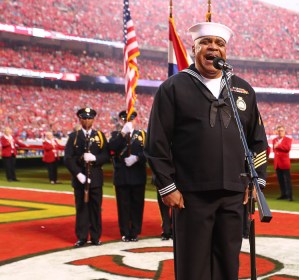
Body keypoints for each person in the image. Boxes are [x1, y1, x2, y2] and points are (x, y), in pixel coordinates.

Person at [145, 21, 268, 279]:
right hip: (190, 195)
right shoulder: (173, 87)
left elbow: (257, 142)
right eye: (206, 43)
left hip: (234, 195)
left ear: (226, 51)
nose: (213, 47)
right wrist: (167, 186)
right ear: (194, 48)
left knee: (227, 266)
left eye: (220, 43)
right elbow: (156, 142)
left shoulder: (243, 89)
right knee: (193, 267)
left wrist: (254, 182)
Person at [64, 107, 109, 247]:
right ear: (80, 119)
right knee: (82, 208)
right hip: (80, 180)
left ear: (94, 120)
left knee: (96, 208)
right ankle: (82, 237)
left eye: (90, 118)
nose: (87, 120)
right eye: (84, 118)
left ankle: (95, 237)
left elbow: (106, 155)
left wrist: (95, 158)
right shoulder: (74, 136)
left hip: (95, 179)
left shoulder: (100, 136)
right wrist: (78, 174)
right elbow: (68, 158)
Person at [108, 111, 147, 242]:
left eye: (130, 119)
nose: (128, 122)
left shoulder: (142, 135)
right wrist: (123, 133)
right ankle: (125, 232)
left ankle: (135, 232)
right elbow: (111, 149)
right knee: (123, 206)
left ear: (136, 120)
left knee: (137, 205)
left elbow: (150, 152)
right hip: (122, 176)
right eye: (124, 120)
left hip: (137, 175)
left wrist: (137, 157)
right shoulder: (116, 135)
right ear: (121, 121)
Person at [273, 125, 293, 201]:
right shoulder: (275, 139)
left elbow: (287, 148)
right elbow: (274, 150)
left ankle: (289, 196)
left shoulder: (288, 139)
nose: (280, 132)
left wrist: (279, 146)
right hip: (277, 163)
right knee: (280, 180)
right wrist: (278, 146)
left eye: (281, 131)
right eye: (279, 131)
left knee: (287, 180)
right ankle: (283, 194)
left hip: (285, 163)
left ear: (284, 131)